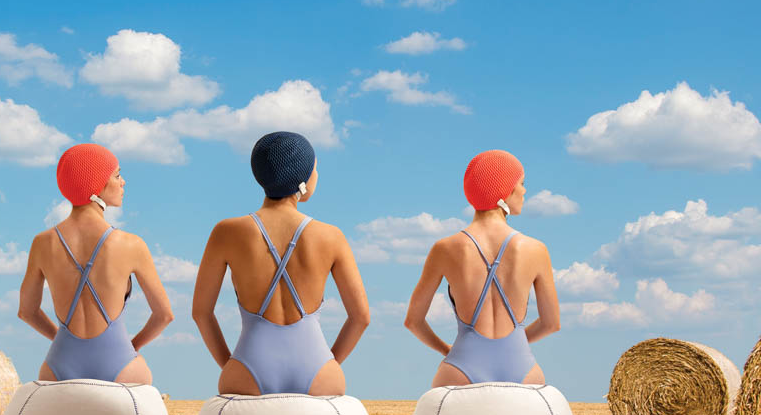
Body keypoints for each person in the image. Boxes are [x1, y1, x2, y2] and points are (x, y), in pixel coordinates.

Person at [191, 131, 370, 395]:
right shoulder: (330, 236)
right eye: (315, 168)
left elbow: (201, 313)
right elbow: (361, 317)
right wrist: (327, 362)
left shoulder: (226, 232)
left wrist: (231, 365)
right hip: (318, 368)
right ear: (303, 179)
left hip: (248, 367)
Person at [17, 143, 171, 384]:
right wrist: (132, 346)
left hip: (60, 365)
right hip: (120, 365)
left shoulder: (42, 243)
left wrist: (62, 338)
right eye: (117, 175)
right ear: (96, 187)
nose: (123, 182)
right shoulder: (131, 244)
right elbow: (164, 315)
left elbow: (26, 312)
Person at [403, 150, 560, 386]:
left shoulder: (444, 248)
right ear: (504, 191)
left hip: (461, 367)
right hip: (522, 368)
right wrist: (513, 344)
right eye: (521, 183)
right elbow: (551, 323)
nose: (525, 191)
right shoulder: (535, 249)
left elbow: (413, 321)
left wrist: (448, 350)